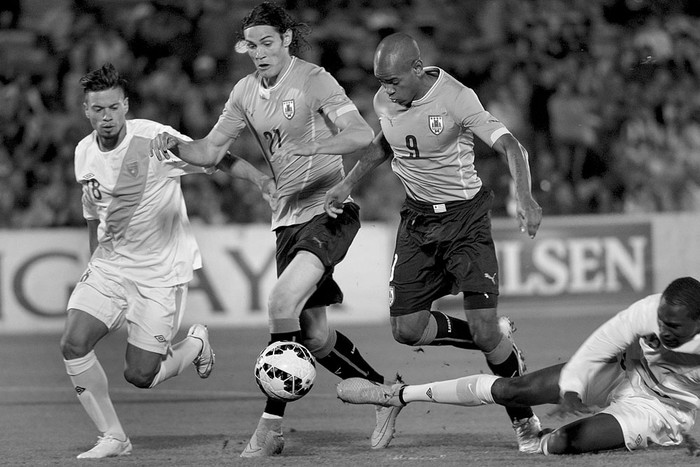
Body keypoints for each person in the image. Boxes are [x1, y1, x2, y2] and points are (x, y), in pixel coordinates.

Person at [149, 1, 400, 457]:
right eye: (252, 45)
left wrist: (311, 146)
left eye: (269, 43)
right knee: (316, 337)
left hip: (329, 209)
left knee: (281, 301)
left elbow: (361, 135)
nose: (260, 52)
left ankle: (270, 428)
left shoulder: (314, 79)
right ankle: (384, 395)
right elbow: (210, 152)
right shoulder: (244, 91)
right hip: (286, 221)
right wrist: (178, 146)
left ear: (286, 40)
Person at [323, 32, 544, 452]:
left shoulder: (457, 98)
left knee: (483, 333)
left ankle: (526, 421)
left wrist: (526, 196)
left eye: (392, 80)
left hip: (465, 222)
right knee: (406, 330)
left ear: (416, 69)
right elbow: (382, 146)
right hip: (417, 222)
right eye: (380, 81)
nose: (386, 90)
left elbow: (510, 145)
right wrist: (346, 185)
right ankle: (495, 337)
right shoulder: (386, 100)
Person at [337, 276, 700, 456]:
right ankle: (397, 395)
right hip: (621, 372)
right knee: (514, 389)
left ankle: (536, 443)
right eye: (662, 321)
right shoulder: (651, 309)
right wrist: (573, 385)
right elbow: (603, 341)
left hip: (660, 409)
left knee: (563, 442)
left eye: (674, 327)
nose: (662, 328)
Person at [59, 63, 215, 459]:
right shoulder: (84, 152)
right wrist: (93, 257)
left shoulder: (154, 140)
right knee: (73, 343)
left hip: (159, 273)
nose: (107, 117)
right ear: (86, 110)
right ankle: (113, 436)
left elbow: (212, 157)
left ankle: (194, 344)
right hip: (110, 265)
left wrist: (263, 182)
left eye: (113, 108)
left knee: (140, 375)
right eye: (98, 110)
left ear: (125, 105)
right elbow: (92, 211)